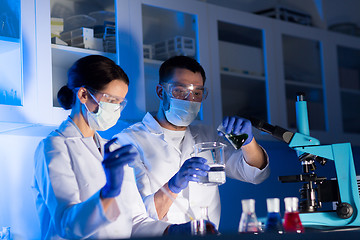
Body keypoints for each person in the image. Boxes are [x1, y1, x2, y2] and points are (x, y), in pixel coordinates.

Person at [32, 55, 201, 239]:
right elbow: (67, 226)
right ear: (83, 94)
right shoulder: (54, 147)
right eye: (111, 101)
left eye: (120, 103)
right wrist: (109, 191)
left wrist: (175, 230)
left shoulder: (112, 150)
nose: (116, 110)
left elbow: (135, 221)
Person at [114, 55, 270, 228]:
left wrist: (248, 142)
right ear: (161, 92)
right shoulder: (129, 142)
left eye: (197, 93)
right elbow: (138, 218)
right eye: (179, 91)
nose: (190, 100)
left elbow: (255, 174)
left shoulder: (208, 136)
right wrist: (175, 184)